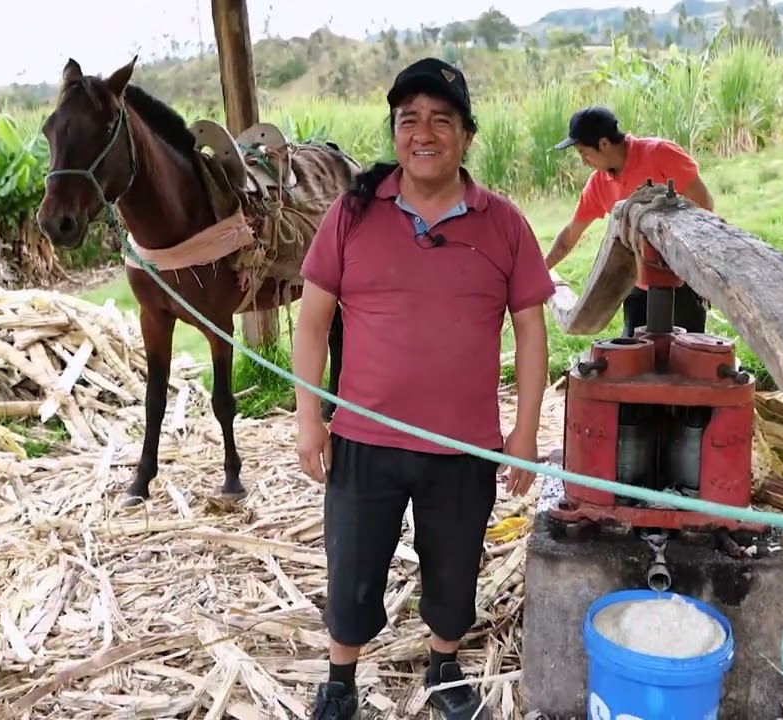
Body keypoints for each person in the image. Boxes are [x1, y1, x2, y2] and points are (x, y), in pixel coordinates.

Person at [291, 57, 556, 720]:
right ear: (395, 133)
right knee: (351, 565)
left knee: (454, 567)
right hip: (362, 438)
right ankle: (341, 680)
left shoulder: (503, 224)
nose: (424, 132)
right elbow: (313, 319)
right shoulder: (351, 216)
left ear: (468, 135)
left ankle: (444, 666)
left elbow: (530, 332)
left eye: (442, 119)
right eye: (409, 120)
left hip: (461, 443)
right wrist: (307, 418)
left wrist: (524, 430)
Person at [544, 105, 716, 337]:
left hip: (683, 281)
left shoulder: (660, 154)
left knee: (688, 358)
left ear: (604, 144)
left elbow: (705, 204)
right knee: (634, 359)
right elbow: (569, 236)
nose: (584, 161)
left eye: (584, 152)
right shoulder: (598, 184)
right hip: (637, 285)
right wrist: (540, 271)